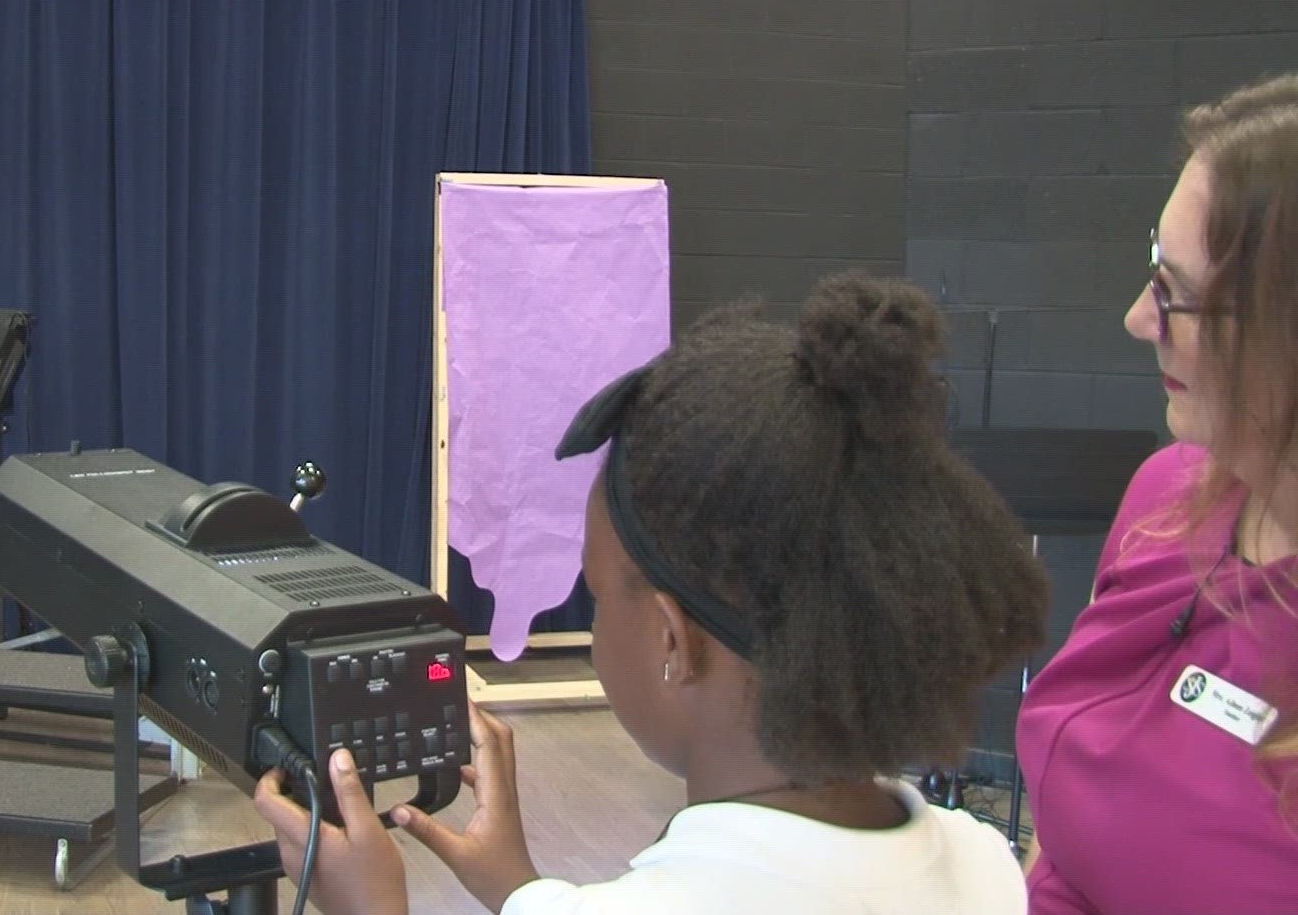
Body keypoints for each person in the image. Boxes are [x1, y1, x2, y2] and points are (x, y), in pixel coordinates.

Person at [255, 272, 1049, 914]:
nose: (597, 628)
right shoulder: (984, 867)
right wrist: (521, 890)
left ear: (673, 640)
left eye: (599, 598)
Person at [1014, 74, 1298, 914]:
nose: (1140, 318)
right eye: (1152, 268)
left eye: (1175, 293)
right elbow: (1067, 832)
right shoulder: (1168, 498)